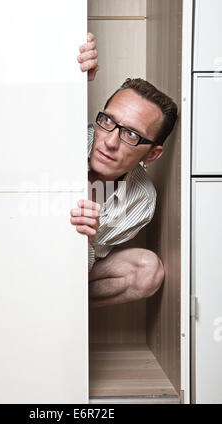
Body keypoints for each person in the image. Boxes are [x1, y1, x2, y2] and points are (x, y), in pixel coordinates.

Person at [70, 33, 178, 308]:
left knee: (147, 271)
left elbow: (79, 268)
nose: (110, 141)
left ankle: (62, 312)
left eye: (131, 135)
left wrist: (89, 237)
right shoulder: (69, 134)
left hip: (67, 270)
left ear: (152, 154)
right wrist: (69, 77)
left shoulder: (141, 200)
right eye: (108, 121)